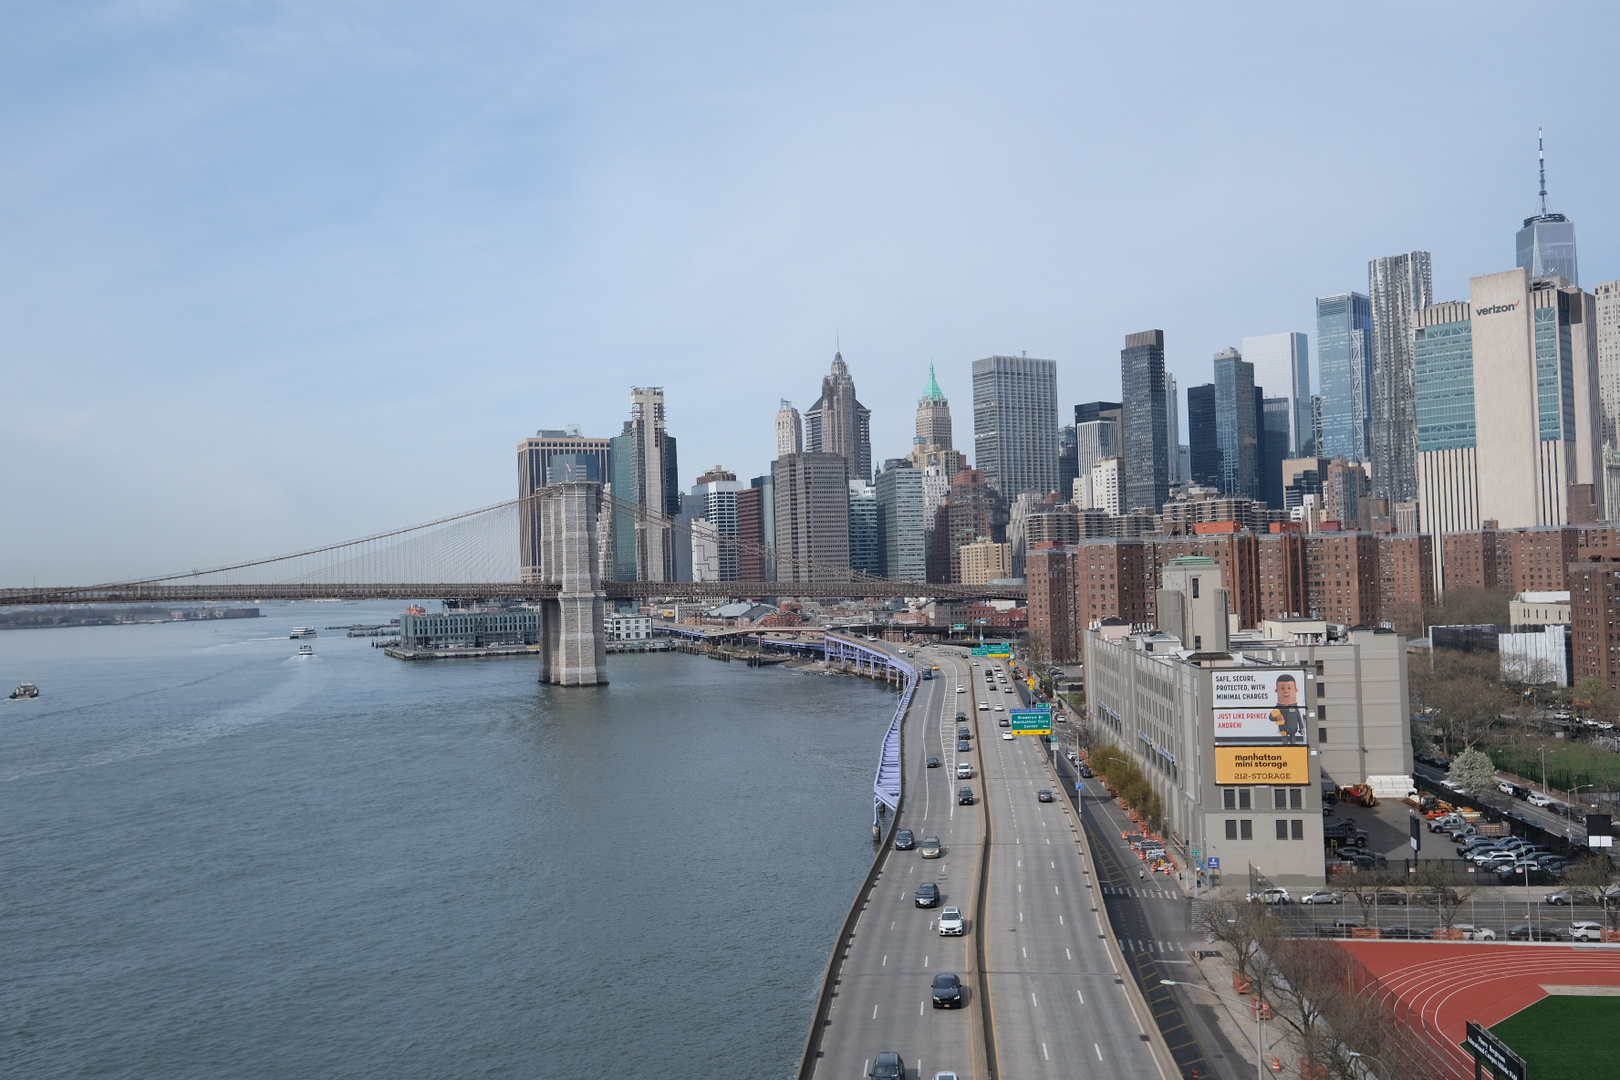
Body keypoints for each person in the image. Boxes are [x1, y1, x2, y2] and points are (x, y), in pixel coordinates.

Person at [1267, 673, 1305, 744]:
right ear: (1276, 690)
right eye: (1282, 688)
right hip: (1283, 729)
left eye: (1289, 688)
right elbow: (1270, 717)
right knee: (1284, 742)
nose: (1286, 691)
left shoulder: (1295, 707)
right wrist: (1277, 718)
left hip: (1293, 729)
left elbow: (1299, 718)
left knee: (1293, 741)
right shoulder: (1278, 708)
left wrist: (1302, 727)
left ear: (1296, 690)